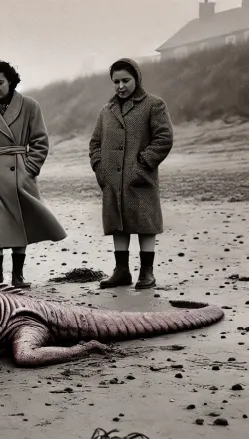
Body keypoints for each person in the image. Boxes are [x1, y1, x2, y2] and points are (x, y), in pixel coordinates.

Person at [0, 60, 66, 288]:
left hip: (20, 174)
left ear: (10, 81)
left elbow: (40, 141)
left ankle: (18, 277)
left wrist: (29, 169)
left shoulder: (30, 106)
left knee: (20, 224)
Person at [90, 58, 174, 290]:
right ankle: (122, 271)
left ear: (136, 78)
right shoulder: (106, 110)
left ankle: (147, 273)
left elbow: (164, 138)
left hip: (141, 177)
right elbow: (95, 143)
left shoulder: (153, 104)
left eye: (125, 80)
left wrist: (143, 163)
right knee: (118, 223)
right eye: (116, 81)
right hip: (112, 179)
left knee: (145, 222)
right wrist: (100, 168)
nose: (120, 86)